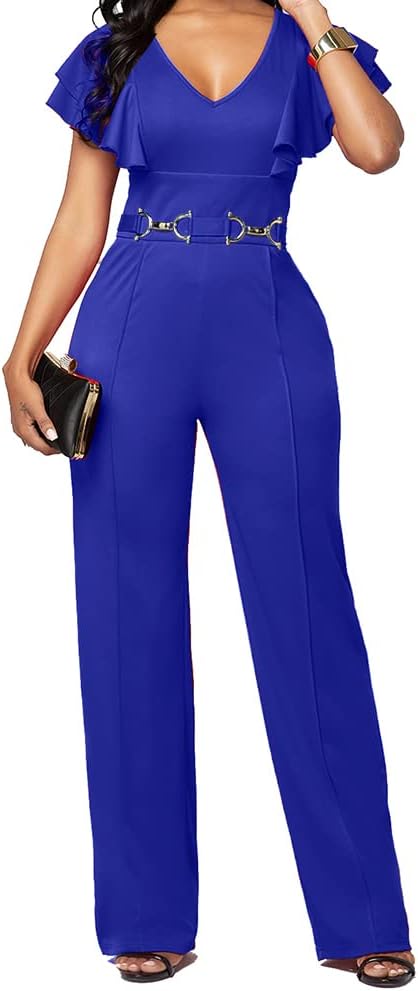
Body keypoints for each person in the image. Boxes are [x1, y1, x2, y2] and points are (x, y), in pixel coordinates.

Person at [2, 0, 415, 985]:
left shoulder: (309, 43)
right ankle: (145, 915)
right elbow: (81, 215)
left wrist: (312, 14)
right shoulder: (115, 51)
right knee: (126, 612)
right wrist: (23, 352)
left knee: (307, 604)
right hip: (128, 328)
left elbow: (376, 150)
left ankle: (364, 912)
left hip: (268, 329)